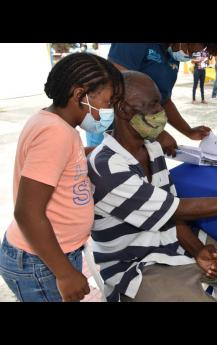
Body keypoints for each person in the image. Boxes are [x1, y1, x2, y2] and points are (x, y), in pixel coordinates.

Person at [87, 70, 217, 302]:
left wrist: (197, 250)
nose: (161, 113)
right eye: (152, 105)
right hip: (136, 268)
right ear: (123, 110)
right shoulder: (107, 167)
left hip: (171, 248)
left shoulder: (152, 148)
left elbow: (170, 215)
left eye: (159, 103)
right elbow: (177, 209)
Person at [0, 53, 125, 302]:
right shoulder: (55, 133)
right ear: (80, 95)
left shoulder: (55, 124)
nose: (111, 111)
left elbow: (63, 163)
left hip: (50, 255)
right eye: (109, 102)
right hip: (43, 262)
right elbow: (27, 212)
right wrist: (65, 273)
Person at [103, 43, 217, 156]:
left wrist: (188, 131)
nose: (189, 55)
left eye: (193, 53)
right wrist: (158, 134)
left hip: (143, 135)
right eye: (189, 49)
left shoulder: (173, 53)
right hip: (116, 129)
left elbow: (163, 100)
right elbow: (119, 84)